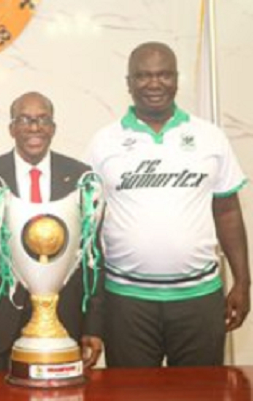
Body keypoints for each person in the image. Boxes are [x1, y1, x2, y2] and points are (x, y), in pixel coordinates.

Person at [86, 42, 250, 367]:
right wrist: (93, 303)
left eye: (163, 74)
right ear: (129, 83)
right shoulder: (104, 142)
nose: (154, 83)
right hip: (126, 301)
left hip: (199, 299)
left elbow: (228, 212)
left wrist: (243, 282)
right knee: (131, 394)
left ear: (177, 79)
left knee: (199, 393)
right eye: (144, 76)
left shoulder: (209, 137)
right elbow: (88, 224)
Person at [0, 91, 104, 372]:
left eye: (43, 120)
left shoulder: (79, 175)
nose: (34, 127)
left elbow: (93, 255)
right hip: (2, 322)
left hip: (66, 322)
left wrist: (94, 326)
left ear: (53, 128)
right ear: (12, 128)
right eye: (25, 119)